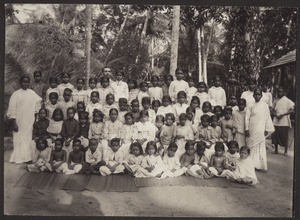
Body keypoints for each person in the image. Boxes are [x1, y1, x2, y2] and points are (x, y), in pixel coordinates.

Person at [7, 75, 42, 163]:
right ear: (20, 83)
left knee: (27, 138)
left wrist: (35, 117)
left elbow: (37, 104)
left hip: (29, 119)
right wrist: (14, 122)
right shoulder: (16, 94)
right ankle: (18, 158)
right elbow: (12, 108)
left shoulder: (32, 93)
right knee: (18, 138)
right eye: (23, 82)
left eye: (27, 82)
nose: (25, 84)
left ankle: (27, 158)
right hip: (19, 120)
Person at [245, 88, 274, 170]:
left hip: (261, 128)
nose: (257, 96)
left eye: (259, 94)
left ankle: (258, 165)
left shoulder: (265, 105)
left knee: (259, 145)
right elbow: (247, 117)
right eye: (256, 94)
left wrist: (267, 128)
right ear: (253, 95)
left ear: (261, 96)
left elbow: (267, 118)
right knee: (251, 145)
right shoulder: (250, 105)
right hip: (252, 127)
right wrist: (246, 128)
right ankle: (250, 164)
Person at [272, 87, 294, 155]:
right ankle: (276, 150)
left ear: (284, 92)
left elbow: (292, 110)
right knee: (275, 135)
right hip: (276, 120)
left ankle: (286, 151)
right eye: (278, 92)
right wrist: (275, 115)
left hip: (284, 121)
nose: (279, 93)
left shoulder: (287, 100)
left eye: (281, 92)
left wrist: (283, 115)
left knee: (284, 136)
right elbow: (272, 109)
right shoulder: (275, 100)